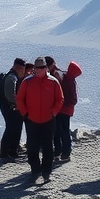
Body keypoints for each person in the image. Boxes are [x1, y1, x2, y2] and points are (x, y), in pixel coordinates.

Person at [15, 56, 64, 184]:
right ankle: (35, 170)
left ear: (46, 68)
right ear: (35, 69)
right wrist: (25, 113)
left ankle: (46, 172)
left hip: (48, 120)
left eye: (42, 67)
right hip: (31, 119)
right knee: (32, 147)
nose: (40, 69)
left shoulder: (53, 82)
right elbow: (19, 99)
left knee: (48, 147)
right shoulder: (27, 81)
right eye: (37, 67)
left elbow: (60, 99)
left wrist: (53, 113)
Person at [0, 58, 27, 161]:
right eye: (22, 70)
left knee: (15, 128)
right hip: (10, 107)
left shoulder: (11, 76)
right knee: (11, 129)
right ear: (19, 68)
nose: (23, 73)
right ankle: (5, 153)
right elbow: (10, 96)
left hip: (9, 107)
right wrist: (20, 104)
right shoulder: (11, 78)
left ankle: (13, 151)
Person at [55, 61, 82, 162]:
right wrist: (72, 103)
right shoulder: (70, 81)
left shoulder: (64, 78)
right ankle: (66, 153)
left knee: (58, 131)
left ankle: (57, 152)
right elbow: (73, 98)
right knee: (65, 131)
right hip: (66, 109)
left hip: (60, 109)